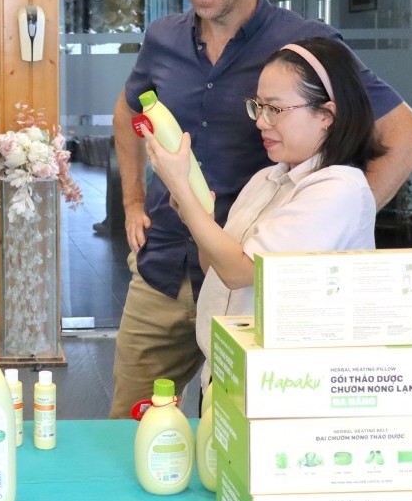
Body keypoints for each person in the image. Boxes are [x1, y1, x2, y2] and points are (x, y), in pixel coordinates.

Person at [109, 0, 412, 418]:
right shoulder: (163, 38)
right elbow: (127, 113)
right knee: (131, 427)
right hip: (167, 264)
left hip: (259, 288)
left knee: (235, 441)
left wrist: (329, 218)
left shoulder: (306, 46)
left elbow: (408, 138)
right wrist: (130, 201)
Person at [146, 38, 383, 383]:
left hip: (283, 381)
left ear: (326, 116)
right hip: (228, 367)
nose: (260, 121)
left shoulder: (338, 188)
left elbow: (242, 273)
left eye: (276, 109)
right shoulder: (266, 178)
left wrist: (181, 183)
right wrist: (196, 215)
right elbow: (214, 265)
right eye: (258, 106)